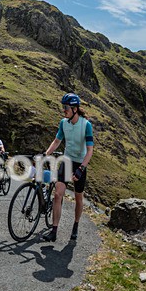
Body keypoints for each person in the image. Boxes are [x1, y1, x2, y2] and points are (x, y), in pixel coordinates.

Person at [41, 93, 94, 242]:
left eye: (66, 107)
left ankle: (75, 225)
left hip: (80, 164)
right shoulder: (64, 123)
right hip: (67, 161)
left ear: (75, 109)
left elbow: (90, 150)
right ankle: (54, 230)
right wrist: (45, 154)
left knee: (78, 198)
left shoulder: (86, 125)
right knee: (58, 195)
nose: (63, 110)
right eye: (63, 107)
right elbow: (57, 141)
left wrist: (81, 168)